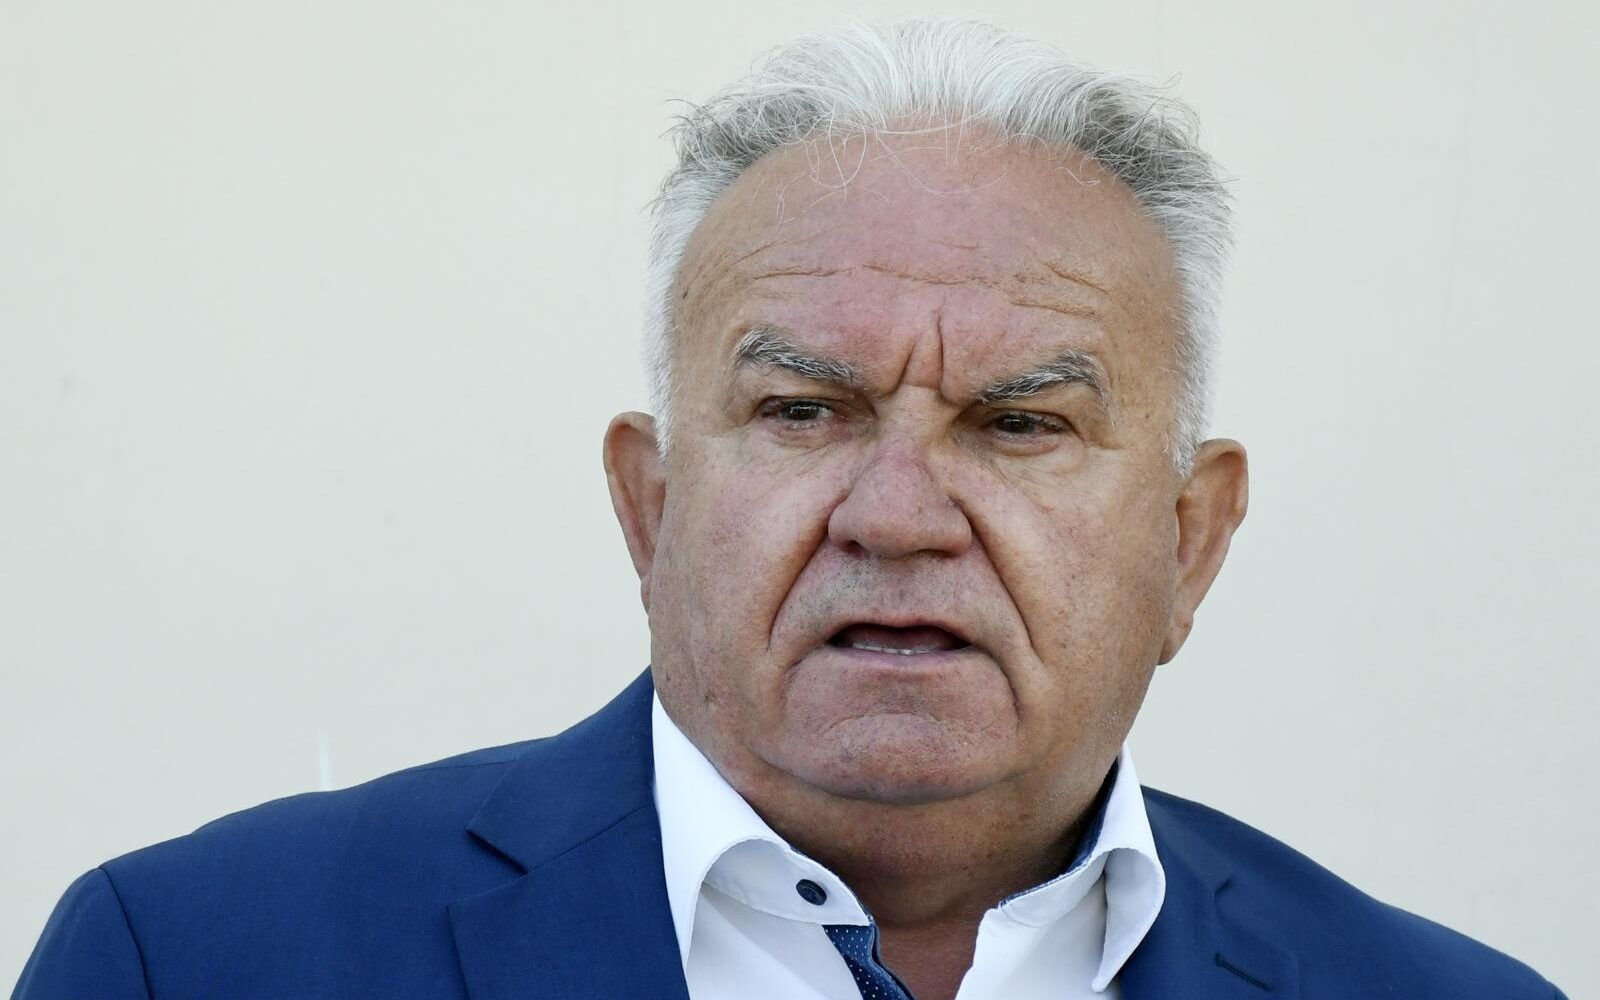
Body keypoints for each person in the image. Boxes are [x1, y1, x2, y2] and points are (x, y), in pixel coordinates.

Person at [13, 18, 1566, 1000]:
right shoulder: (196, 959)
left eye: (1020, 424)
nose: (899, 515)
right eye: (804, 412)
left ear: (1189, 545)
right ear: (649, 509)